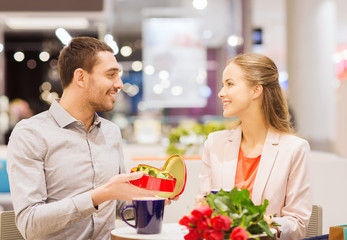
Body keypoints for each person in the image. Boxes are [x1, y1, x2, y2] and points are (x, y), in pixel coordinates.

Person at [6, 36, 159, 240]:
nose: (120, 84)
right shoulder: (30, 134)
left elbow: (119, 207)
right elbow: (30, 224)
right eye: (111, 75)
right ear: (80, 78)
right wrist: (100, 195)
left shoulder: (111, 132)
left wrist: (151, 199)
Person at [196, 53, 312, 240]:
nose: (221, 93)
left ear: (256, 90)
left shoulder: (294, 149)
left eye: (230, 84)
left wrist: (260, 224)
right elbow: (203, 207)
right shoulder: (214, 143)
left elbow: (298, 224)